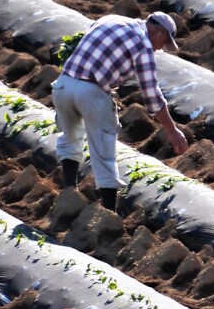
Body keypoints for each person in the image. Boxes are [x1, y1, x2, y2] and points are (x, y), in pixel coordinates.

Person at [51, 11, 188, 210]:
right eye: (163, 43)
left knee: (70, 138)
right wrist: (172, 130)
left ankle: (68, 192)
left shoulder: (109, 19)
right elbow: (151, 94)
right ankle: (108, 213)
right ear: (157, 31)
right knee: (103, 150)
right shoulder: (143, 46)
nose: (160, 49)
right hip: (92, 92)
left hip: (64, 84)